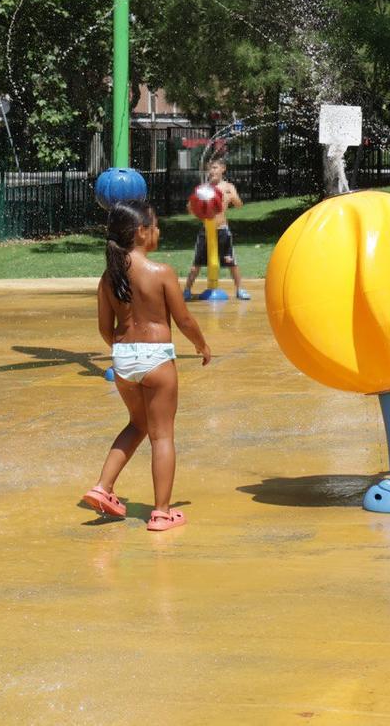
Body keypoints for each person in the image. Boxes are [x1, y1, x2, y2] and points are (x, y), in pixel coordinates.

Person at [84, 200, 211, 531]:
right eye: (154, 225)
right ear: (141, 233)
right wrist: (201, 343)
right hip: (156, 359)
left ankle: (102, 487)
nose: (158, 231)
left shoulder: (108, 278)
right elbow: (183, 319)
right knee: (162, 436)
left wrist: (124, 349)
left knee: (137, 425)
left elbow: (103, 328)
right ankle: (162, 512)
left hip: (123, 358)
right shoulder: (161, 272)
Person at [183, 158, 251, 300]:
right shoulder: (204, 189)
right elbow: (190, 208)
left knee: (232, 262)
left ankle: (240, 289)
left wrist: (231, 196)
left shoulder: (228, 187)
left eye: (215, 167)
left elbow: (239, 204)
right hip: (206, 231)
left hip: (222, 229)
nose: (212, 171)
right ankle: (187, 290)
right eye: (210, 168)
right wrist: (194, 204)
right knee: (197, 263)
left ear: (223, 169)